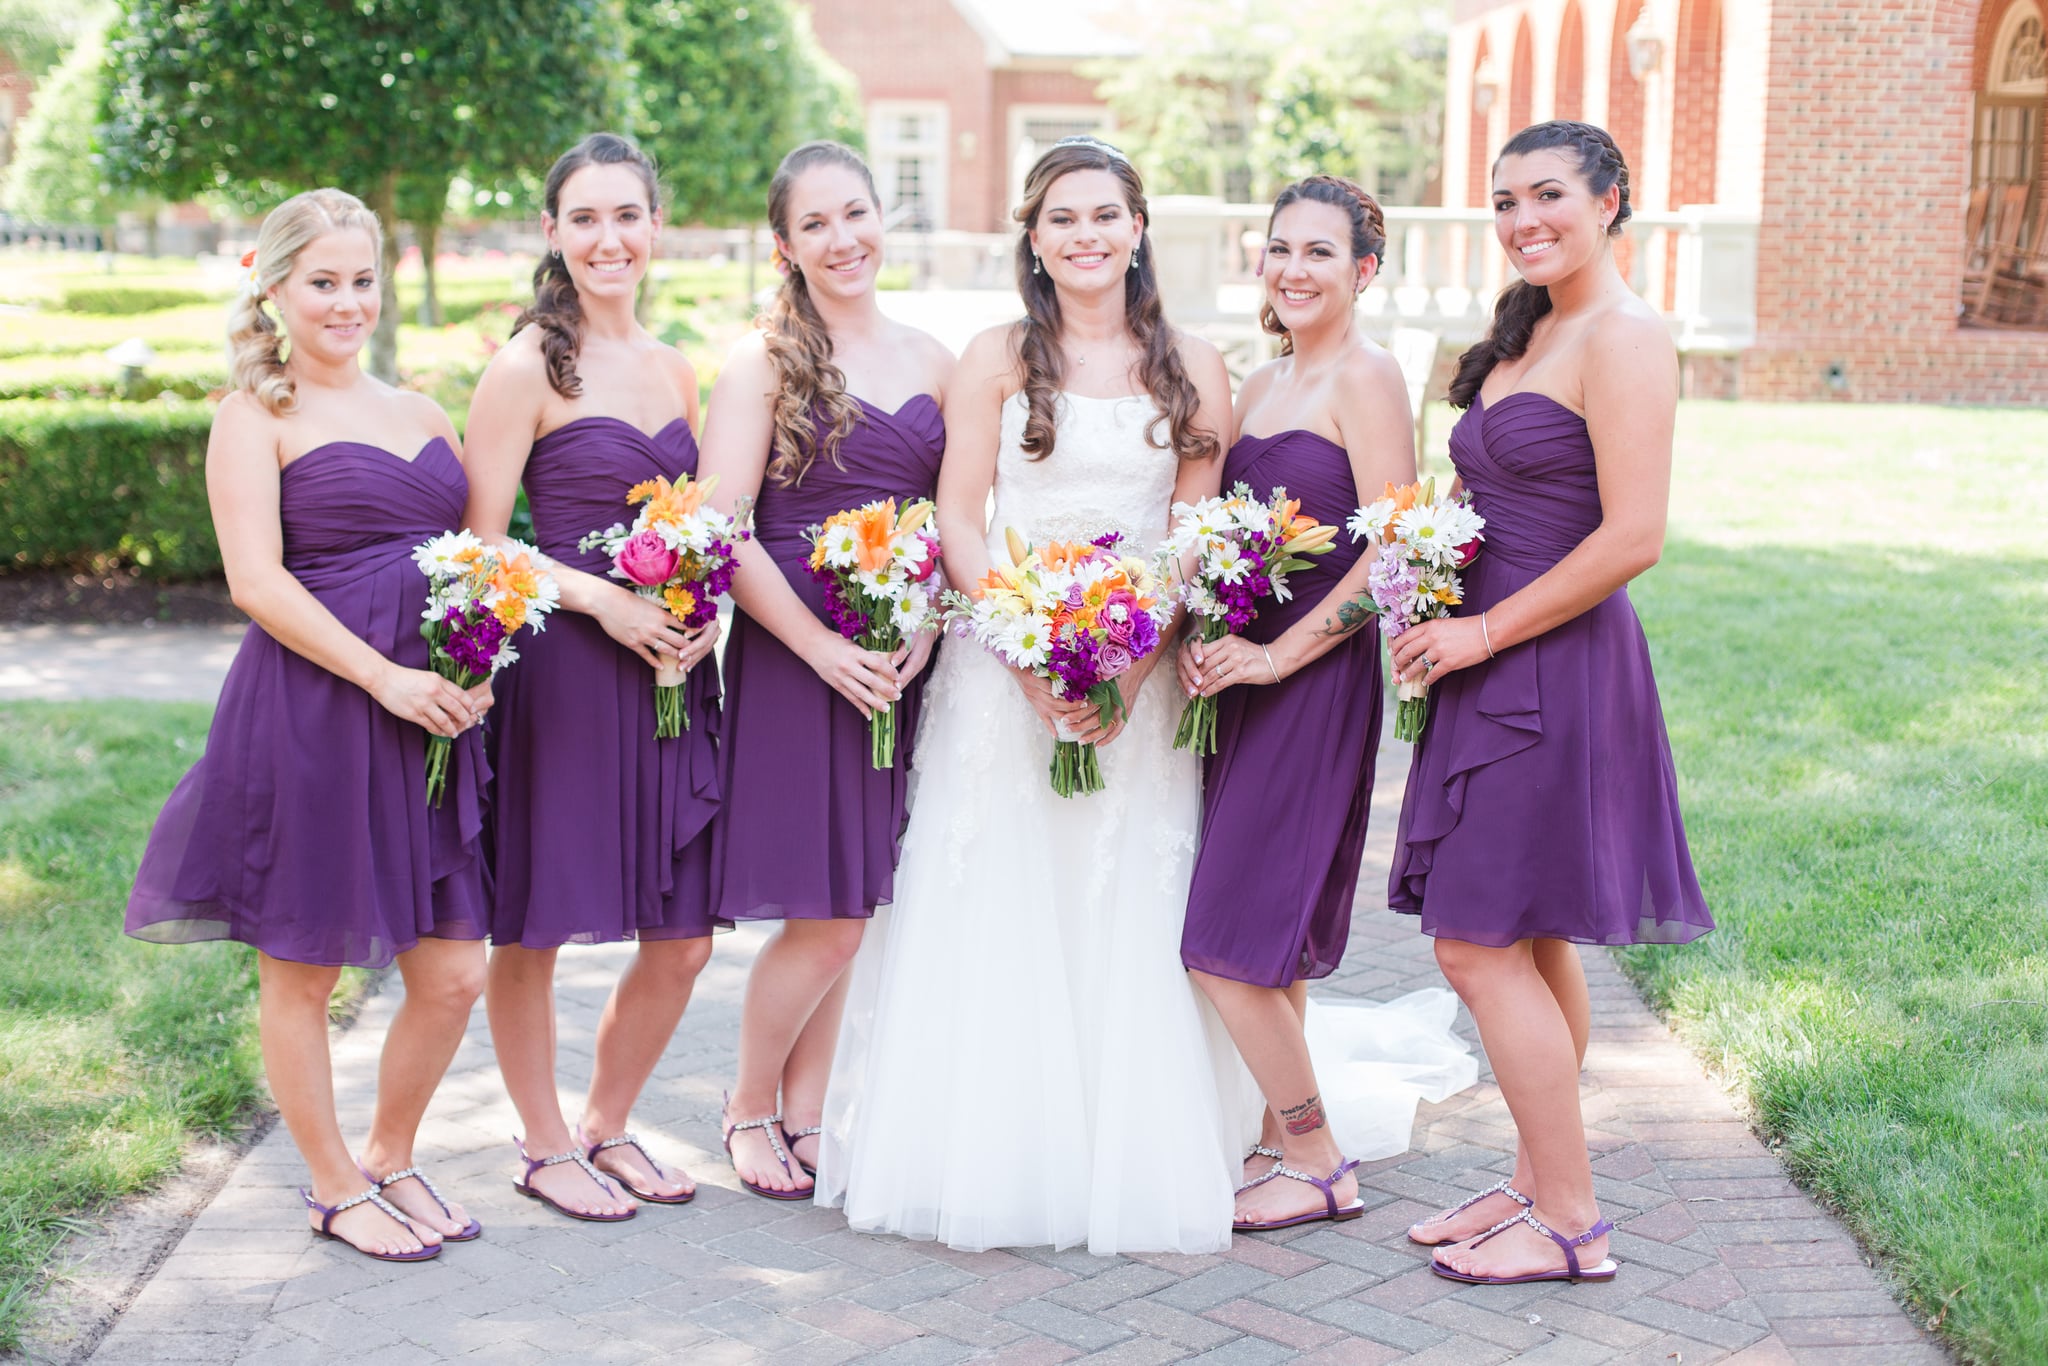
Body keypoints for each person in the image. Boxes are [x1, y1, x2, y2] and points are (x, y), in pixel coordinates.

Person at [814, 136, 1243, 1254]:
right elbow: (961, 514)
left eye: (1105, 214)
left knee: (1119, 897)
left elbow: (1193, 535)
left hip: (1134, 679)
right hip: (1003, 668)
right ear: (1034, 237)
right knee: (998, 880)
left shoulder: (1194, 361)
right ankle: (995, 1144)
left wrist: (1128, 660)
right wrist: (1024, 652)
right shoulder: (998, 352)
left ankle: (1129, 1140)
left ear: (1137, 227)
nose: (1085, 235)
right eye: (1061, 218)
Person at [126, 188, 490, 1262]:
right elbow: (255, 581)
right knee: (302, 964)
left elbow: (471, 566)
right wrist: (381, 676)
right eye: (320, 282)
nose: (345, 303)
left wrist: (479, 664)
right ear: (275, 287)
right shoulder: (253, 415)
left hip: (430, 722)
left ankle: (388, 1151)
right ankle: (332, 1186)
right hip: (315, 712)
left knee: (454, 970)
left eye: (360, 280)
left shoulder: (424, 413)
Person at [1388, 120, 1713, 1285]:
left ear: (1611, 201)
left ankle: (1571, 1222)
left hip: (1551, 666)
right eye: (1504, 201)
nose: (1524, 220)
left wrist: (1477, 627)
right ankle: (1534, 1176)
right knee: (1520, 933)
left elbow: (1633, 536)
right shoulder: (1529, 332)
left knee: (1472, 947)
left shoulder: (1624, 336)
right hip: (1490, 660)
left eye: (1548, 196)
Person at [1175, 175, 1450, 1231]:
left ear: (1363, 271)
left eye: (1319, 253)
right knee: (1267, 937)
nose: (1292, 268)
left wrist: (1277, 658)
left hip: (1305, 686)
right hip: (1238, 681)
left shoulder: (1366, 377)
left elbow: (1392, 553)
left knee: (1221, 946)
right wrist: (1207, 630)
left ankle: (1315, 1153)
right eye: (1279, 248)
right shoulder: (1258, 380)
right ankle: (1266, 1137)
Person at [463, 133, 720, 1222]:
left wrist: (698, 615)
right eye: (585, 219)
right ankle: (541, 1140)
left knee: (687, 936)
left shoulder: (671, 367)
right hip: (565, 673)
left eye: (627, 216)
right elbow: (475, 551)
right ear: (553, 233)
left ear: (654, 227)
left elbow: (698, 525)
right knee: (536, 920)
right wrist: (602, 599)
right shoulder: (526, 366)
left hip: (668, 675)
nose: (608, 238)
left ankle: (608, 1124)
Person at [697, 140, 952, 1200]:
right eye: (816, 225)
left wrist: (924, 630)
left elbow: (954, 521)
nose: (843, 239)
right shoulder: (760, 361)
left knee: (859, 893)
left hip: (897, 657)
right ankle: (747, 1105)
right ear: (784, 246)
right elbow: (723, 527)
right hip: (800, 658)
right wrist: (819, 647)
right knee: (828, 909)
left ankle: (807, 1109)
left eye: (856, 214)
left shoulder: (937, 360)